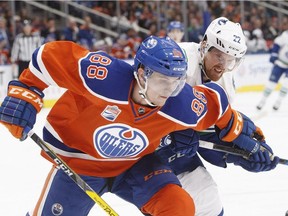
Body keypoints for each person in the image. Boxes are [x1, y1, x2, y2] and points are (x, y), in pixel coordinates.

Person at [0, 35, 278, 216]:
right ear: (142, 73)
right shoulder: (104, 76)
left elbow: (216, 104)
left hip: (136, 164)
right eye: (163, 81)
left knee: (179, 206)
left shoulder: (178, 101)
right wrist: (24, 92)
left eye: (177, 82)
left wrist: (244, 139)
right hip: (78, 164)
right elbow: (48, 56)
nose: (169, 91)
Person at [155, 17, 279, 216]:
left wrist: (240, 154)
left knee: (208, 199)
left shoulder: (226, 87)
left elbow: (208, 137)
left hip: (178, 151)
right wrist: (169, 131)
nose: (223, 66)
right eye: (219, 56)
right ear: (204, 46)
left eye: (231, 60)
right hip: (143, 145)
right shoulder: (178, 58)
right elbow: (143, 102)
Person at [256, 19, 288, 111]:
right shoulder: (285, 35)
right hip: (280, 63)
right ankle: (263, 101)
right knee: (271, 84)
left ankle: (278, 101)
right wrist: (274, 54)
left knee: (286, 84)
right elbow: (277, 44)